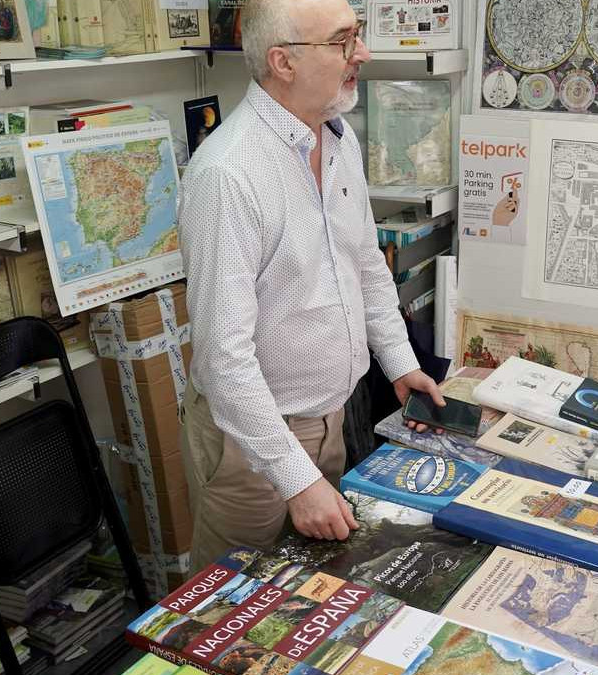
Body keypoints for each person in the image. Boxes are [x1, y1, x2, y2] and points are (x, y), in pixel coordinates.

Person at [177, 0, 445, 569]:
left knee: (310, 587)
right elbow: (223, 359)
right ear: (283, 61)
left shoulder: (338, 139)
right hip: (249, 443)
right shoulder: (227, 174)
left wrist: (398, 362)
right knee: (234, 607)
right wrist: (298, 482)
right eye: (344, 42)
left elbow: (365, 264)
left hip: (330, 419)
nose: (363, 55)